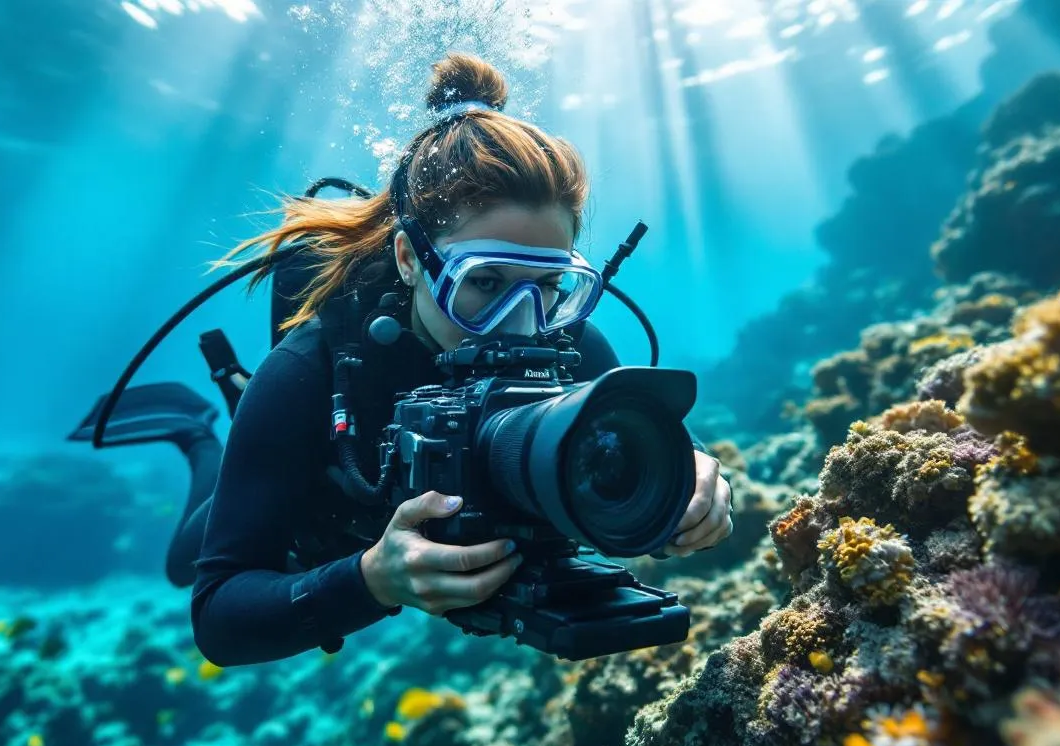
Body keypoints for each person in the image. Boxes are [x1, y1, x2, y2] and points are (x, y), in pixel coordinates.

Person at [93, 53, 733, 667]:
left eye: (547, 286)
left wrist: (694, 481)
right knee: (188, 557)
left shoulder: (568, 345)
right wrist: (370, 579)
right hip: (321, 511)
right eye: (482, 283)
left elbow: (659, 442)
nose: (520, 321)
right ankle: (198, 431)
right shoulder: (308, 370)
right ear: (409, 259)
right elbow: (220, 618)